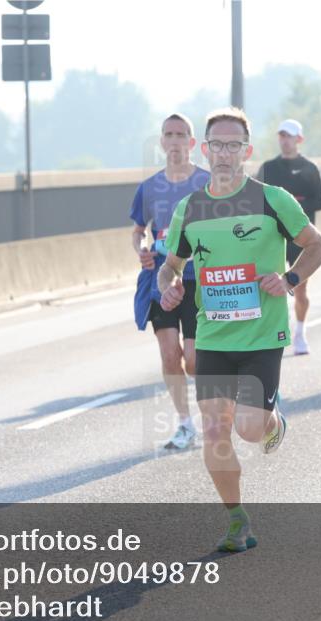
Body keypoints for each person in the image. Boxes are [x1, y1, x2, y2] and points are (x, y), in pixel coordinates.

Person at [158, 108, 321, 552]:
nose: (224, 152)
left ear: (247, 152)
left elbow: (318, 245)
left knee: (249, 430)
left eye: (234, 145)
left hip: (261, 335)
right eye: (217, 144)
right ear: (205, 149)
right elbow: (170, 266)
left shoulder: (273, 199)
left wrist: (290, 279)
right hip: (214, 336)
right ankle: (237, 521)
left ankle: (274, 422)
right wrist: (170, 287)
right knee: (215, 432)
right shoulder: (190, 208)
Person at [131, 113, 210, 450]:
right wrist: (142, 250)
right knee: (168, 354)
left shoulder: (208, 182)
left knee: (192, 358)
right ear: (161, 142)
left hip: (198, 281)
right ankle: (185, 424)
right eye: (169, 134)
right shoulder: (148, 188)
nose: (175, 140)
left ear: (192, 144)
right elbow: (137, 232)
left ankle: (215, 408)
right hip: (162, 279)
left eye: (181, 135)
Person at [256, 119, 321, 355]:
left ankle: (300, 331)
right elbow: (255, 200)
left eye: (289, 136)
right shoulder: (268, 167)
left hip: (301, 240)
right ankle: (268, 336)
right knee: (266, 289)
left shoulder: (309, 168)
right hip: (272, 239)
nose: (285, 140)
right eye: (281, 136)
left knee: (300, 291)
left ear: (299, 139)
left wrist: (296, 204)